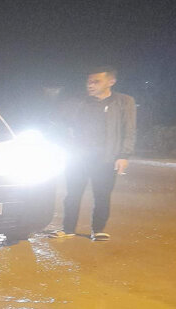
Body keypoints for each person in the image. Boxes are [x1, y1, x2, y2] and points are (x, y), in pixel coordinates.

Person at [49, 66, 136, 241]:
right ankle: (68, 229)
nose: (90, 85)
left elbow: (129, 129)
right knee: (72, 194)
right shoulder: (78, 101)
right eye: (89, 81)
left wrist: (124, 155)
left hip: (106, 158)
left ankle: (98, 229)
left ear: (111, 82)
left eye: (96, 81)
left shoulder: (123, 102)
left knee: (102, 195)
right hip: (78, 158)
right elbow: (58, 122)